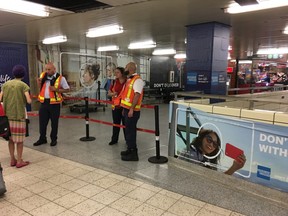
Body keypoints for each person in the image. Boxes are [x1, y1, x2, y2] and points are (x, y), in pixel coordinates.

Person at [0, 65, 32, 168]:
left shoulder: (5, 85)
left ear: (13, 73)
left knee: (10, 139)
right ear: (23, 74)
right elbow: (29, 100)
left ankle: (12, 160)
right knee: (19, 141)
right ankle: (19, 161)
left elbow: (0, 98)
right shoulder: (23, 85)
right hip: (19, 116)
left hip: (7, 116)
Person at [33, 62, 70, 147]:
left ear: (54, 69)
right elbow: (41, 88)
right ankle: (42, 138)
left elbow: (67, 90)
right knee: (42, 122)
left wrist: (56, 89)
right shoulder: (43, 75)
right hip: (44, 103)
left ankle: (54, 139)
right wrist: (38, 82)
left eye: (49, 69)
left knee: (54, 123)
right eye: (46, 69)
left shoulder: (61, 78)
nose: (47, 71)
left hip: (54, 104)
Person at [181, 129, 246, 175]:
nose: (211, 145)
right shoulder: (192, 153)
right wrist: (233, 168)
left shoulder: (203, 158)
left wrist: (234, 167)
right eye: (209, 140)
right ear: (201, 138)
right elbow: (211, 181)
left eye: (215, 144)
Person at [120, 62, 144, 161]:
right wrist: (124, 108)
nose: (124, 68)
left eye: (125, 67)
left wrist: (131, 109)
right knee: (128, 131)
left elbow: (137, 95)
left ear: (130, 69)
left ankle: (133, 153)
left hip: (132, 111)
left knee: (131, 132)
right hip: (127, 109)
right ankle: (129, 149)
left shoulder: (137, 80)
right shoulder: (129, 80)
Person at [107, 67, 126, 145]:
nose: (115, 74)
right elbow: (109, 93)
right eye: (115, 72)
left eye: (117, 72)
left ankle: (128, 140)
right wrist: (112, 94)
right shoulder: (114, 82)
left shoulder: (127, 82)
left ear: (122, 73)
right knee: (116, 123)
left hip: (125, 106)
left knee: (125, 124)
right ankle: (114, 139)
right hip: (116, 106)